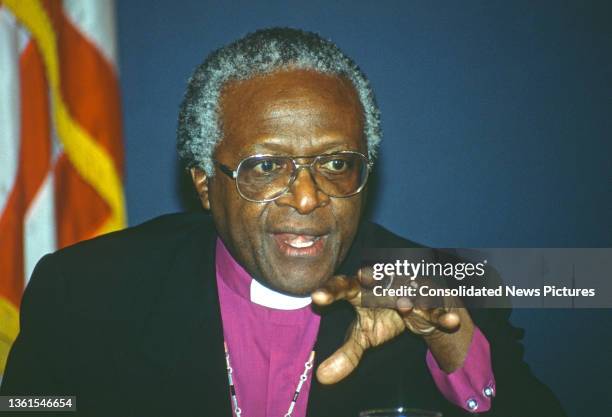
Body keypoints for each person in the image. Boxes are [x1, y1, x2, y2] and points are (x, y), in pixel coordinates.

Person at [1, 28, 566, 417]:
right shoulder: (86, 288)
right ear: (205, 183)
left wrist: (454, 344)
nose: (306, 196)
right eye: (266, 166)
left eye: (336, 163)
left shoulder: (443, 290)